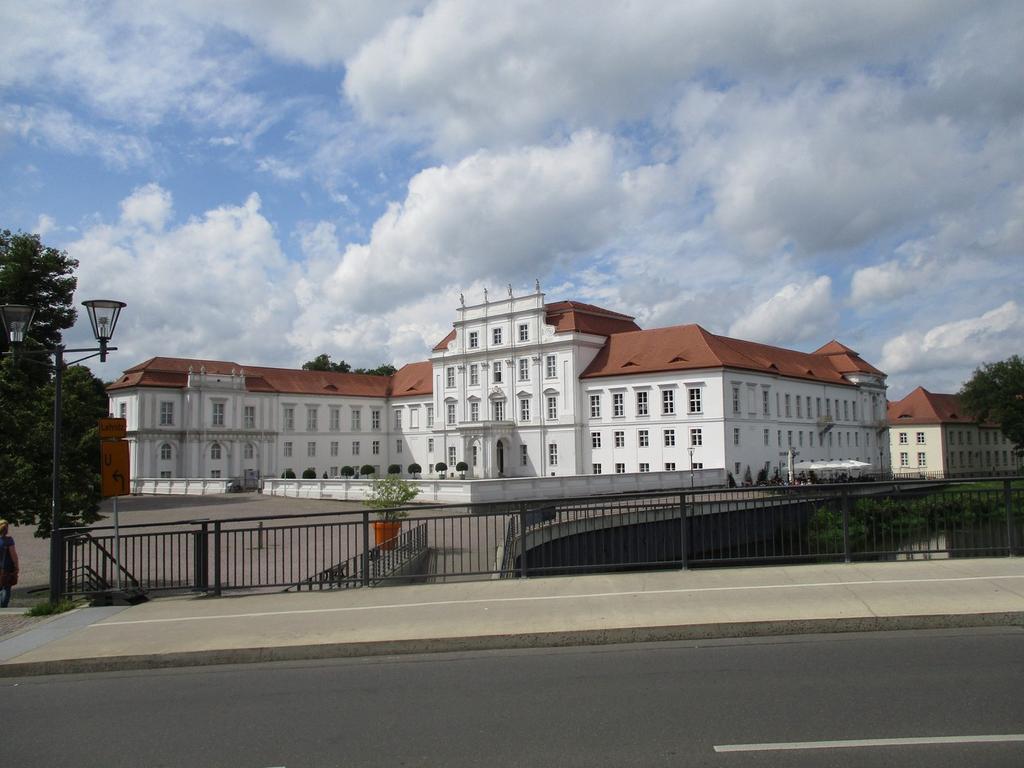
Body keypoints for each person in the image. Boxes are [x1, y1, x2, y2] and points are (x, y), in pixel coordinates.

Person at [0, 519, 19, 608]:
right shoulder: (9, 540)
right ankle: (3, 607)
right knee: (6, 587)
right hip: (6, 568)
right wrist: (16, 567)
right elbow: (13, 555)